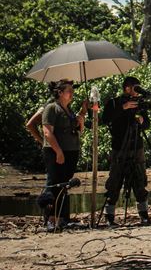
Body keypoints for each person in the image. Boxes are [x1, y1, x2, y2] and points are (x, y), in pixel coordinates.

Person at [101, 76, 151, 226]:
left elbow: (146, 123)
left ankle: (143, 215)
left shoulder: (138, 104)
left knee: (139, 180)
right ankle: (109, 216)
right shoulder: (114, 103)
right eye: (134, 88)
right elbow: (105, 119)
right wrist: (123, 108)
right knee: (115, 180)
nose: (136, 92)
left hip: (136, 147)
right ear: (127, 88)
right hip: (119, 147)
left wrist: (142, 121)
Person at [40, 79, 85, 231]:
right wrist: (58, 151)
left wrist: (81, 117)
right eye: (69, 91)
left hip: (71, 151)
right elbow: (47, 132)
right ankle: (51, 219)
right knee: (55, 184)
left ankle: (62, 218)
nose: (72, 94)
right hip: (56, 151)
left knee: (65, 184)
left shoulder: (69, 110)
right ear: (60, 92)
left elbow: (77, 130)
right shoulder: (52, 108)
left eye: (72, 91)